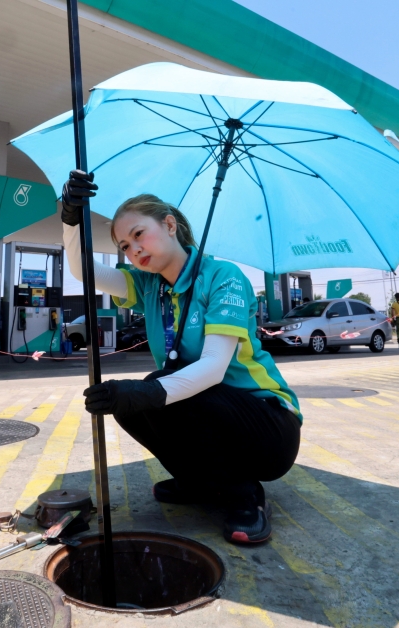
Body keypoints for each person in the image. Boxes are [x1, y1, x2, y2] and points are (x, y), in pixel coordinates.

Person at [61, 170, 301, 545]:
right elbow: (84, 271)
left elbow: (212, 369)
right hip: (207, 408)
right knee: (129, 404)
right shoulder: (148, 285)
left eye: (138, 234)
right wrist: (71, 219)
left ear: (169, 224)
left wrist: (146, 392)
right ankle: (204, 482)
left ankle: (245, 496)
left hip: (269, 429)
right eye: (124, 245)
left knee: (164, 389)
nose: (133, 250)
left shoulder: (223, 276)